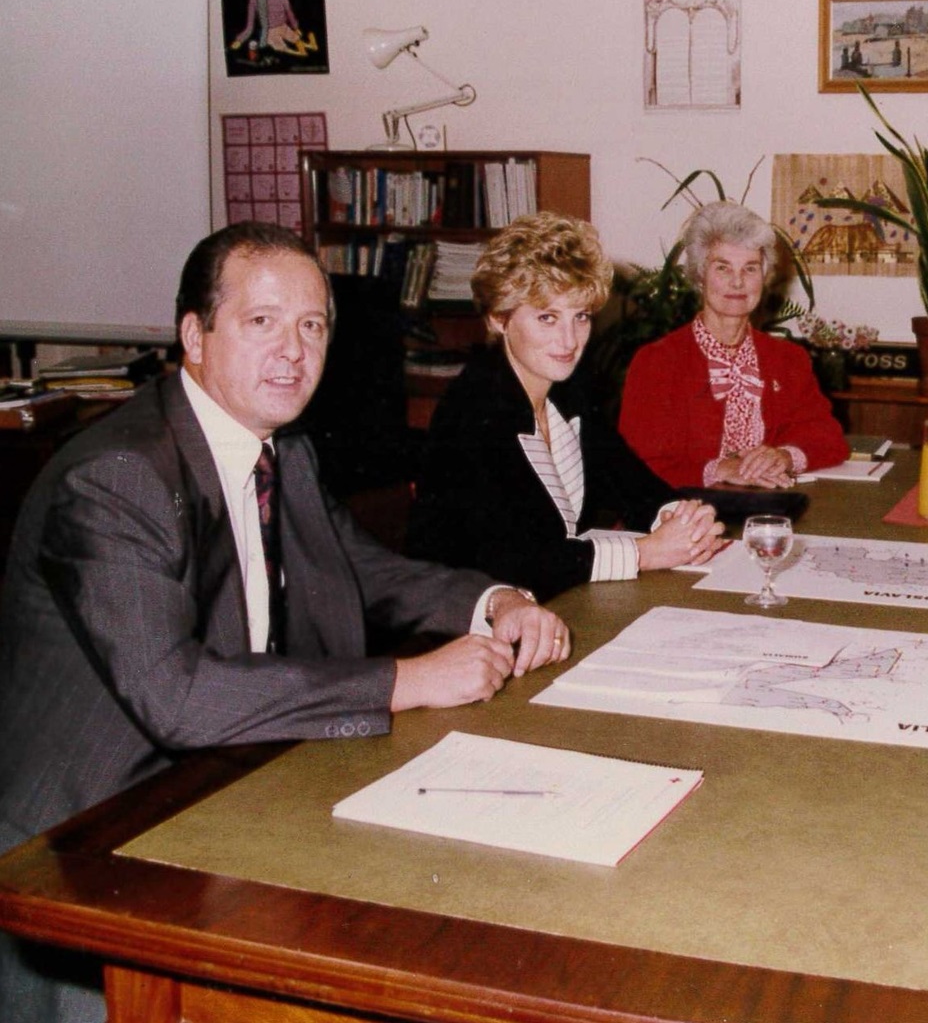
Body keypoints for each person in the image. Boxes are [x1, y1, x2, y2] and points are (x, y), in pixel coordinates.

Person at [0, 222, 571, 1022]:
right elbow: (179, 697)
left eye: (312, 326)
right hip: (84, 847)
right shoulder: (119, 475)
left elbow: (362, 568)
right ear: (193, 336)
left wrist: (493, 601)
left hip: (211, 797)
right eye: (261, 322)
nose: (294, 351)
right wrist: (406, 679)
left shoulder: (280, 450)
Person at [407, 213, 725, 600]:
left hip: (558, 602)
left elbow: (631, 482)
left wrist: (680, 518)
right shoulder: (473, 411)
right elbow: (511, 559)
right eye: (547, 318)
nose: (569, 340)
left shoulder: (566, 391)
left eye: (581, 317)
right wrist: (643, 553)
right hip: (471, 625)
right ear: (499, 319)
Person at [619, 201, 848, 488]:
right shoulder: (657, 361)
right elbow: (636, 463)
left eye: (750, 269)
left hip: (765, 513)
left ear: (764, 278)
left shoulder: (788, 359)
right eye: (723, 268)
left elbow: (829, 437)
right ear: (700, 276)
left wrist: (784, 457)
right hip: (678, 515)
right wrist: (720, 470)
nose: (737, 282)